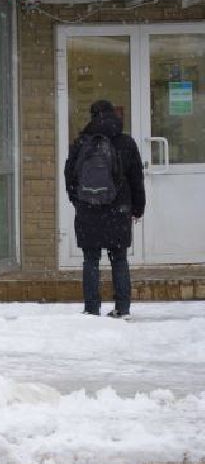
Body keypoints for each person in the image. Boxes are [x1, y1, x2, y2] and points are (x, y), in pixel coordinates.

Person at [63, 99, 145, 318]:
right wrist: (137, 208)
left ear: (92, 116)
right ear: (112, 115)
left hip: (88, 210)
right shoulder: (126, 142)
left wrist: (79, 201)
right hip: (118, 211)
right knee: (119, 258)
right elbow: (136, 177)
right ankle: (122, 307)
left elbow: (69, 176)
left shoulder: (81, 142)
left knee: (91, 260)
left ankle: (91, 308)